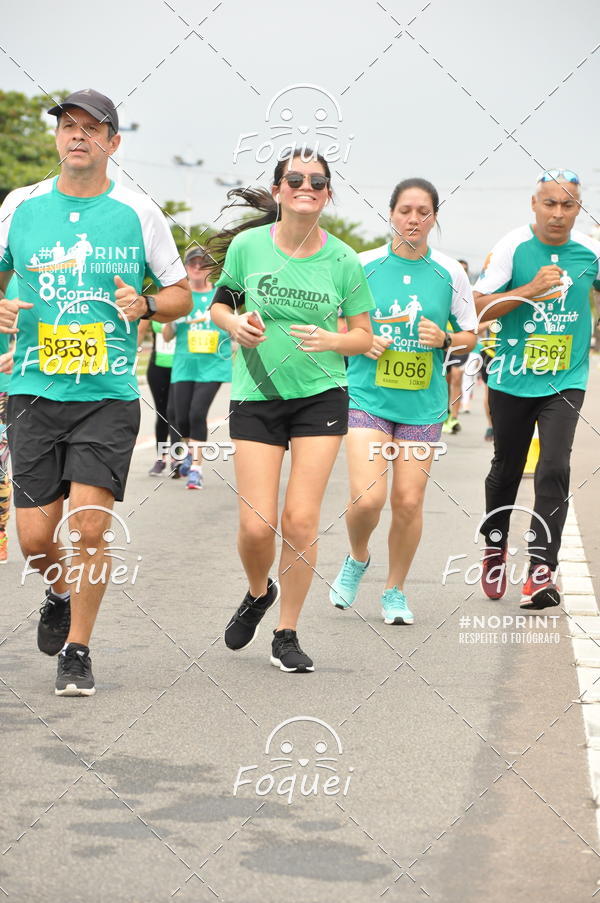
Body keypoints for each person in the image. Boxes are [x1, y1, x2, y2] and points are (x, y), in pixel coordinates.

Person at [0, 89, 191, 696]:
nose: (76, 135)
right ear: (58, 138)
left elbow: (182, 294)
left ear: (114, 143)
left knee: (86, 528)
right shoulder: (20, 206)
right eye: (68, 126)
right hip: (31, 387)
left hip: (106, 393)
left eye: (91, 128)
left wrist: (149, 304)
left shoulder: (138, 213)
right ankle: (57, 588)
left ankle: (78, 649)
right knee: (34, 538)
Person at [209, 147, 374, 673]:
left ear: (327, 195)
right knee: (258, 527)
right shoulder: (248, 246)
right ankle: (259, 593)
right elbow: (220, 303)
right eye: (295, 178)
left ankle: (287, 631)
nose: (307, 186)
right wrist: (232, 325)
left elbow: (366, 337)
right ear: (279, 189)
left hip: (321, 396)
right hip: (257, 393)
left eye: (318, 181)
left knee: (300, 520)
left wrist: (333, 339)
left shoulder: (344, 259)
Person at [329, 178, 477, 623]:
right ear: (390, 214)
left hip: (422, 404)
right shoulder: (362, 264)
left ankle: (394, 591)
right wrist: (361, 340)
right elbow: (336, 327)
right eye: (405, 210)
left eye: (423, 212)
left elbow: (471, 331)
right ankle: (357, 557)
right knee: (369, 499)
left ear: (434, 218)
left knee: (409, 501)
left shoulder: (450, 272)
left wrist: (447, 336)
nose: (413, 219)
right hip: (368, 398)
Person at [473, 169, 600, 609]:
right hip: (511, 376)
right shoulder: (513, 247)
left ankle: (541, 572)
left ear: (578, 208)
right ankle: (494, 546)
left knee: (553, 468)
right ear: (534, 204)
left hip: (565, 379)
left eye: (568, 205)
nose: (558, 214)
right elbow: (476, 306)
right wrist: (530, 289)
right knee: (506, 470)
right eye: (550, 203)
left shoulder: (590, 252)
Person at [163, 246, 232, 489]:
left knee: (196, 413)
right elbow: (166, 336)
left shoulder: (220, 295)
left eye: (203, 264)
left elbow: (232, 326)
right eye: (192, 263)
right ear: (186, 267)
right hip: (184, 365)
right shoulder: (182, 297)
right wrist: (173, 318)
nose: (197, 268)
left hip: (213, 366)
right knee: (180, 417)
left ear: (211, 268)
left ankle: (196, 469)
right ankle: (190, 453)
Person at [138, 315, 178, 477]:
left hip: (181, 368)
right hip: (157, 368)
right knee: (162, 414)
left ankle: (178, 458)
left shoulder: (185, 306)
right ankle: (160, 459)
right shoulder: (154, 307)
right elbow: (139, 331)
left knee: (174, 412)